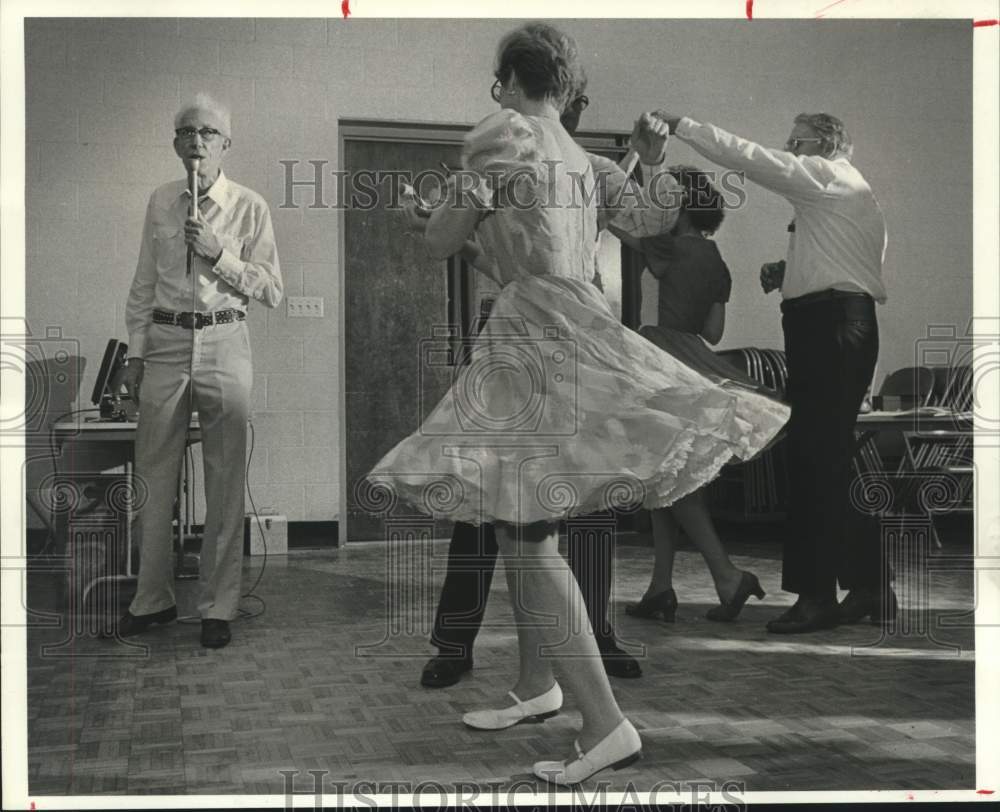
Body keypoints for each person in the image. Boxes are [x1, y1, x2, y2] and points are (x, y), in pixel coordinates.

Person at [369, 24, 788, 784]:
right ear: (565, 85)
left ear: (507, 81)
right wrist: (648, 159)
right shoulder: (584, 159)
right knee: (518, 518)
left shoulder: (503, 133)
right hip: (573, 324)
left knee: (525, 534)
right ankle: (538, 686)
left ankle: (605, 725)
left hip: (534, 335)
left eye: (497, 84)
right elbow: (648, 219)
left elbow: (443, 241)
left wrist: (418, 216)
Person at [419, 90, 664, 690]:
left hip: (581, 337)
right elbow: (490, 258)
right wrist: (445, 222)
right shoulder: (511, 159)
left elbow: (644, 222)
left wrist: (646, 163)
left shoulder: (588, 169)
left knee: (585, 495)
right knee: (489, 495)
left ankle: (592, 636)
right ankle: (455, 642)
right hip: (520, 337)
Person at [650, 110, 890, 633]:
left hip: (828, 329)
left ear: (822, 143)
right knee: (834, 459)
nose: (788, 148)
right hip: (839, 324)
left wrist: (687, 126)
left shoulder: (826, 175)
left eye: (796, 142)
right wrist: (791, 271)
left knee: (812, 462)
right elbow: (851, 265)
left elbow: (751, 158)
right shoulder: (847, 192)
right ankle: (870, 588)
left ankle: (816, 598)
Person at [110, 94, 283, 649]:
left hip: (225, 339)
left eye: (208, 132)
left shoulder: (250, 206)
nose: (197, 141)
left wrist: (218, 254)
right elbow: (142, 285)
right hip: (162, 343)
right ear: (175, 142)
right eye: (186, 132)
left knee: (225, 479)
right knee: (153, 477)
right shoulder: (160, 201)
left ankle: (218, 606)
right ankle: (152, 600)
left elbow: (273, 291)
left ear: (225, 144)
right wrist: (135, 356)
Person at [611, 167, 772, 623]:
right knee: (665, 478)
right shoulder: (716, 260)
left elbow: (616, 222)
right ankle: (661, 588)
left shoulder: (665, 246)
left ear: (676, 207)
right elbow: (713, 331)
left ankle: (726, 574)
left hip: (656, 358)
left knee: (669, 479)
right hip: (692, 357)